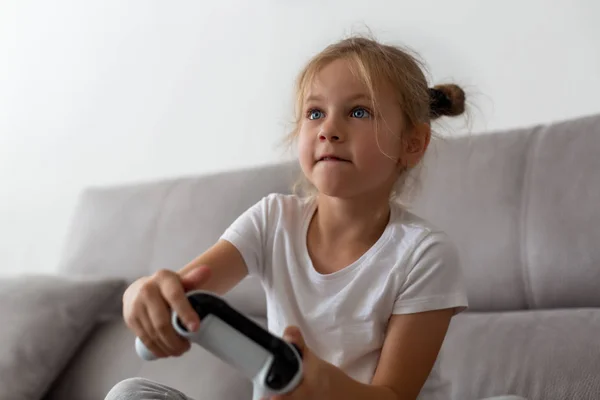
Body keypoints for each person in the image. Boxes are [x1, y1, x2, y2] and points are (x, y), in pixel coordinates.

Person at [105, 36, 527, 400]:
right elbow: (181, 291)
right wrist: (141, 295)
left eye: (358, 112)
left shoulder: (425, 255)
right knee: (131, 395)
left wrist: (324, 386)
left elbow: (394, 395)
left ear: (412, 143)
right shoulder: (272, 220)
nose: (329, 129)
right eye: (315, 113)